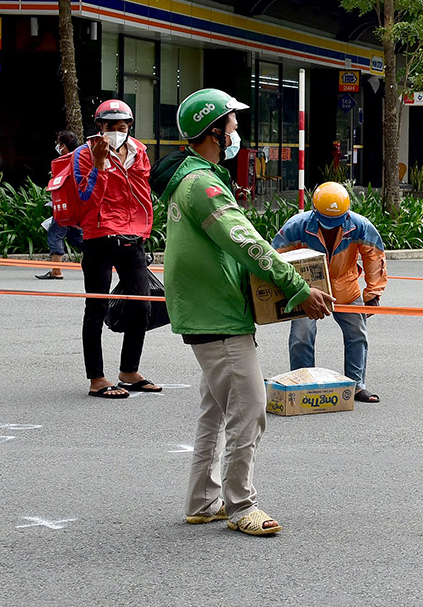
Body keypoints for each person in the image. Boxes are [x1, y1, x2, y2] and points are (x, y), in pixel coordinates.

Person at [159, 88, 333, 535]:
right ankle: (240, 505)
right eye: (233, 125)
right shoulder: (205, 185)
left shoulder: (192, 179)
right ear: (213, 131)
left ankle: (202, 500)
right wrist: (297, 288)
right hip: (217, 318)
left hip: (206, 312)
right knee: (250, 410)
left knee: (214, 412)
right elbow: (247, 243)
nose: (238, 133)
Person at [273, 181, 388, 403]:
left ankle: (356, 385)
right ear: (314, 211)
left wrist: (373, 294)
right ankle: (303, 382)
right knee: (301, 337)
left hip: (346, 287)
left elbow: (374, 256)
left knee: (357, 335)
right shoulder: (296, 226)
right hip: (308, 291)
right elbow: (275, 258)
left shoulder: (360, 226)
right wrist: (286, 290)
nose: (330, 225)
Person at [73, 98, 158, 398]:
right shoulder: (84, 154)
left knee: (143, 306)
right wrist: (100, 166)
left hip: (133, 237)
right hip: (99, 237)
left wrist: (144, 230)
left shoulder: (139, 152)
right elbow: (86, 198)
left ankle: (129, 371)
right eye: (110, 127)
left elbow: (142, 192)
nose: (116, 132)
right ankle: (96, 378)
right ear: (99, 127)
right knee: (96, 307)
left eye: (122, 127)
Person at [36, 130, 84, 281]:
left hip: (65, 207)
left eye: (59, 144)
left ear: (64, 145)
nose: (57, 147)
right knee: (78, 238)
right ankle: (108, 260)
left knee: (54, 235)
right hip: (76, 207)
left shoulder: (64, 161)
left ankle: (56, 271)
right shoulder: (81, 159)